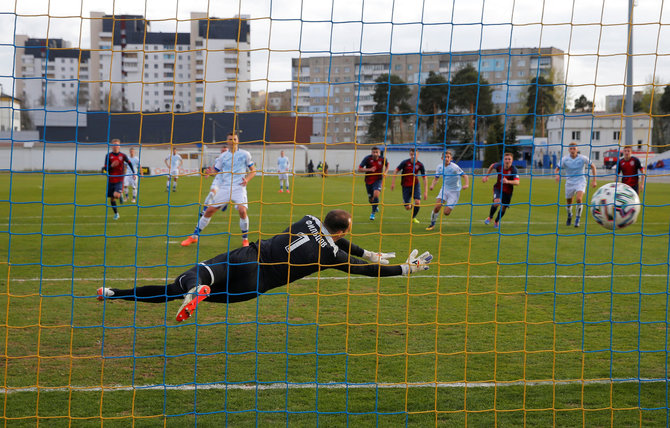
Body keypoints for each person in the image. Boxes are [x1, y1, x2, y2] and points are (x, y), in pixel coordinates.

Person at [97, 210, 433, 322]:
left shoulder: (309, 219)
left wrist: (367, 251)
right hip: (256, 283)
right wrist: (407, 267)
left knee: (185, 280)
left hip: (249, 255)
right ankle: (198, 293)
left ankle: (116, 293)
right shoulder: (331, 255)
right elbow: (364, 270)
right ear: (344, 231)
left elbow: (334, 236)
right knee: (207, 293)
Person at [181, 132, 256, 248]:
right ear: (227, 141)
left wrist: (247, 179)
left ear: (238, 140)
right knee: (209, 211)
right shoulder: (223, 156)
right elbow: (215, 172)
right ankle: (194, 237)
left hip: (239, 188)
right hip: (225, 187)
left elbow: (253, 170)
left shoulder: (245, 154)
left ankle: (245, 239)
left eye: (234, 139)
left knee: (242, 211)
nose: (232, 141)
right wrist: (208, 172)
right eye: (230, 139)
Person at [554, 142, 597, 227]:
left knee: (578, 199)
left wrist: (594, 180)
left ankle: (578, 218)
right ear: (568, 150)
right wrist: (557, 175)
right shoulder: (564, 159)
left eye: (574, 148)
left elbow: (593, 166)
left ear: (577, 149)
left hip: (580, 181)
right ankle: (570, 215)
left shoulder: (582, 158)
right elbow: (557, 169)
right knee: (569, 203)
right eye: (571, 149)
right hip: (569, 182)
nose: (572, 150)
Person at [426, 150, 469, 231]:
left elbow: (465, 176)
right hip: (444, 189)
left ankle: (449, 204)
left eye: (448, 157)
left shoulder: (455, 167)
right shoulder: (439, 167)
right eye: (445, 157)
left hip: (454, 192)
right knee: (436, 207)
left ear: (451, 158)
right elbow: (436, 178)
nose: (446, 159)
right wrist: (432, 185)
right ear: (442, 158)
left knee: (446, 213)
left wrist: (466, 184)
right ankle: (432, 224)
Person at [482, 152, 520, 228]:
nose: (507, 160)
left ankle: (496, 221)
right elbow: (492, 166)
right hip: (498, 188)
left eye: (509, 159)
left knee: (503, 208)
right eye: (506, 159)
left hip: (508, 192)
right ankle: (490, 217)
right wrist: (487, 176)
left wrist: (508, 181)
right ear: (503, 160)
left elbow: (517, 182)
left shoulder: (514, 170)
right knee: (497, 202)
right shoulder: (499, 166)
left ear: (512, 160)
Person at [390, 148, 427, 224]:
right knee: (408, 207)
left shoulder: (420, 165)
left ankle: (413, 218)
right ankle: (407, 202)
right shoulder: (405, 163)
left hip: (415, 185)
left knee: (417, 202)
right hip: (405, 185)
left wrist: (425, 192)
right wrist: (393, 183)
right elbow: (396, 171)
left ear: (418, 154)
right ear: (410, 154)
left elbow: (424, 178)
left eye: (415, 154)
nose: (413, 156)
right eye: (412, 154)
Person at [102, 139, 135, 220]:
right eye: (114, 144)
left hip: (120, 179)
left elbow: (129, 163)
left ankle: (120, 195)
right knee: (112, 198)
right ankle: (116, 214)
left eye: (117, 144)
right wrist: (111, 166)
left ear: (119, 146)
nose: (115, 146)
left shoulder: (123, 155)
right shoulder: (108, 156)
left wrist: (134, 173)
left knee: (116, 195)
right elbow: (105, 169)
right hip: (110, 179)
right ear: (112, 146)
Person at [358, 146, 389, 220]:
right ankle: (375, 206)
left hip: (378, 179)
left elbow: (387, 165)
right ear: (371, 153)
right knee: (371, 199)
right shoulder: (367, 159)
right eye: (374, 152)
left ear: (379, 153)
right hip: (368, 180)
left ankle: (373, 213)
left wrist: (385, 172)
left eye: (376, 152)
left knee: (376, 194)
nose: (375, 154)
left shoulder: (383, 159)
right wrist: (369, 169)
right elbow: (359, 169)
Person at [199, 144, 230, 217]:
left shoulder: (232, 160)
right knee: (211, 194)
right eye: (222, 151)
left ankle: (224, 204)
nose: (223, 152)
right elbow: (214, 172)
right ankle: (204, 211)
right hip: (218, 180)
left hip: (227, 182)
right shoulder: (217, 160)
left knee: (223, 197)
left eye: (225, 151)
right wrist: (209, 173)